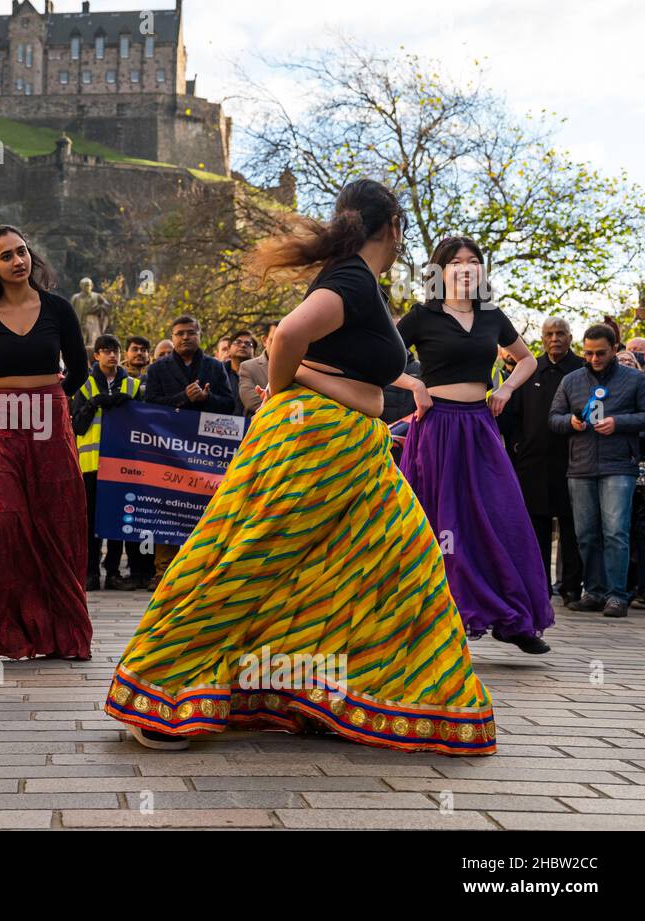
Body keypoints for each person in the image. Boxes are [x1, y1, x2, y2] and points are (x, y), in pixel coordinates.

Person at [106, 179, 496, 755]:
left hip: (350, 448)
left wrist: (306, 380)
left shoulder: (360, 284)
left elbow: (342, 376)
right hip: (312, 444)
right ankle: (161, 690)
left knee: (392, 562)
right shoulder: (351, 280)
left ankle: (345, 694)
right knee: (250, 564)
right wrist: (286, 385)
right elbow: (285, 334)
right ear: (393, 226)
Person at [395, 236, 553, 653]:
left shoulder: (492, 316)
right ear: (439, 271)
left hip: (480, 428)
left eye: (473, 262)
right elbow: (377, 359)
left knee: (500, 516)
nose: (466, 268)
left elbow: (527, 359)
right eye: (456, 262)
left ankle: (512, 618)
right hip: (437, 430)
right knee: (443, 524)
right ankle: (444, 618)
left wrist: (505, 390)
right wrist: (414, 383)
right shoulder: (422, 316)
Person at [0, 224, 92, 664]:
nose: (17, 260)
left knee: (55, 516)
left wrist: (53, 405)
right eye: (6, 256)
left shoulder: (59, 309)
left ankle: (56, 630)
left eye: (22, 251)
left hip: (49, 416)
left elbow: (81, 370)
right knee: (1, 519)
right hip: (0, 419)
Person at [549, 323, 645, 619]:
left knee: (616, 532)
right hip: (580, 466)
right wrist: (571, 423)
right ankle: (593, 591)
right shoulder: (570, 380)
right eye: (589, 353)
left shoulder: (635, 380)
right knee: (586, 534)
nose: (594, 359)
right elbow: (553, 418)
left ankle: (617, 595)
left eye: (601, 353)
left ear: (615, 348)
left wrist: (619, 423)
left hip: (619, 465)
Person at [142, 315, 236, 588]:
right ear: (172, 338)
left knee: (203, 509)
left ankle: (202, 568)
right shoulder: (158, 369)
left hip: (204, 453)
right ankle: (163, 571)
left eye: (190, 333)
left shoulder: (214, 367)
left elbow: (229, 404)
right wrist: (184, 398)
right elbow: (151, 406)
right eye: (180, 333)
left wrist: (206, 398)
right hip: (168, 450)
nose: (185, 338)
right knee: (166, 508)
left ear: (199, 335)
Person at [502, 318, 584, 605]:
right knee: (536, 529)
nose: (555, 339)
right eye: (549, 334)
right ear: (542, 337)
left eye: (560, 333)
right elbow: (511, 416)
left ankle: (572, 588)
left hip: (572, 461)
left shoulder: (581, 371)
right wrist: (515, 448)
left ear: (570, 336)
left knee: (571, 527)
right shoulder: (530, 369)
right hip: (531, 463)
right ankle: (539, 588)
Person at [73, 334, 144, 592]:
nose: (111, 355)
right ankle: (90, 572)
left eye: (115, 350)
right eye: (106, 350)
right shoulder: (84, 386)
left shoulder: (134, 387)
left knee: (116, 520)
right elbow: (77, 426)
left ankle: (112, 572)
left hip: (123, 464)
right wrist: (93, 404)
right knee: (90, 522)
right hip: (91, 465)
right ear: (97, 355)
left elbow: (145, 424)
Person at [238, 323, 277, 416]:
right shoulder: (248, 367)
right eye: (275, 340)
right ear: (264, 340)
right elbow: (251, 402)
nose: (280, 344)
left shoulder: (299, 367)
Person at [224, 330, 256, 417]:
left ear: (254, 352)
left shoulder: (260, 374)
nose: (243, 345)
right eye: (238, 342)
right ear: (229, 349)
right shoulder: (219, 372)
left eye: (248, 344)